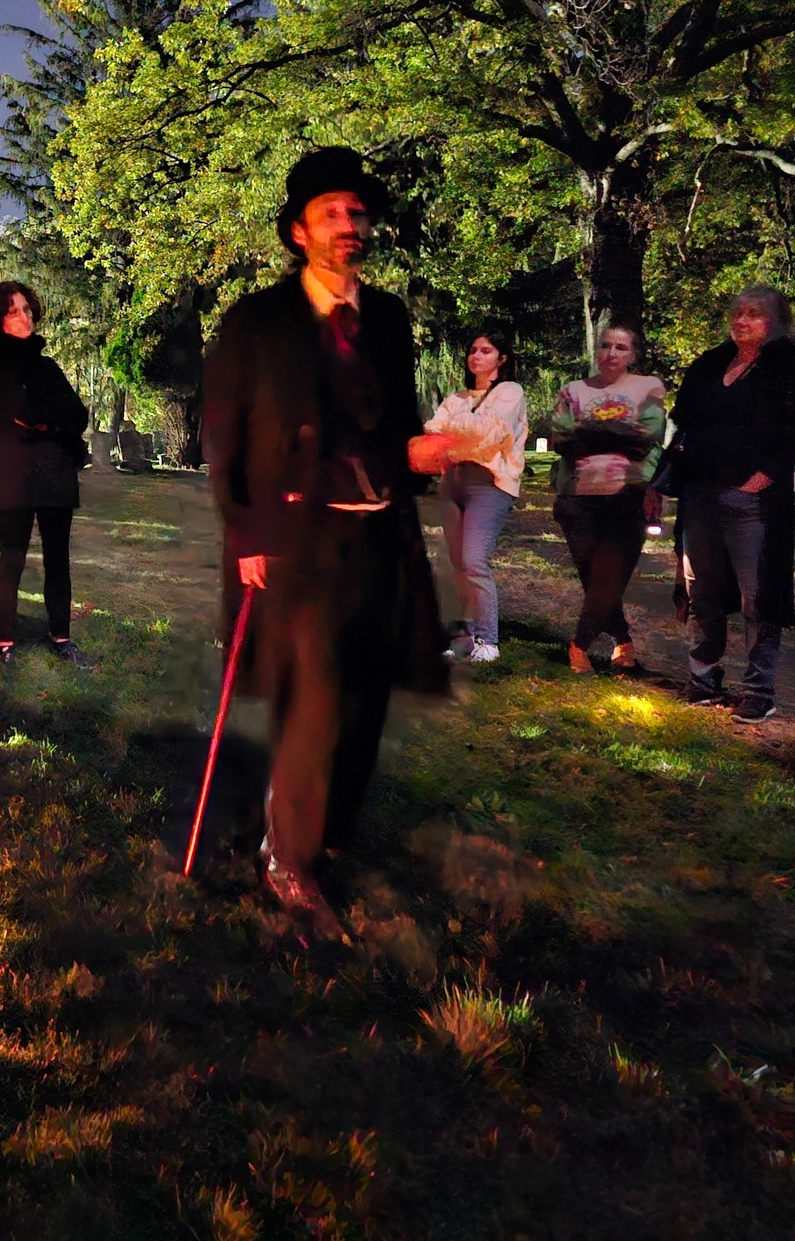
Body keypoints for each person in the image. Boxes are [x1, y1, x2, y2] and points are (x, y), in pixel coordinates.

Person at [203, 147, 447, 938]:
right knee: (311, 699)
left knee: (364, 696)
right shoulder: (256, 322)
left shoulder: (389, 319)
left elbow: (399, 422)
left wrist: (425, 452)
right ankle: (289, 857)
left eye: (357, 212)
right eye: (332, 212)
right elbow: (224, 436)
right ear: (297, 230)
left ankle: (332, 829)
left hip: (379, 541)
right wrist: (245, 532)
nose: (350, 225)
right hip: (296, 543)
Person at [658, 286, 795, 721]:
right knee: (702, 591)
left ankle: (760, 689)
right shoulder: (710, 363)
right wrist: (661, 482)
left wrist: (763, 477)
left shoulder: (788, 365)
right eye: (737, 313)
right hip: (701, 495)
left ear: (774, 320)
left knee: (759, 597)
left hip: (757, 502)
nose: (741, 321)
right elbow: (682, 426)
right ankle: (704, 679)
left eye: (753, 314)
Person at [0, 281, 93, 667]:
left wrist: (45, 423)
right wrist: (49, 421)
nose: (24, 318)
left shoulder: (47, 366)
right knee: (12, 558)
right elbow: (14, 414)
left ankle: (61, 637)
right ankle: (5, 641)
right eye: (13, 311)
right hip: (13, 472)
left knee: (58, 559)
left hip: (56, 472)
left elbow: (78, 416)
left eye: (27, 310)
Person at [549, 326, 666, 673]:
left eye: (621, 347)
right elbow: (561, 439)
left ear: (633, 354)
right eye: (605, 346)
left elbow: (647, 438)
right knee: (592, 574)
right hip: (577, 497)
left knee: (609, 575)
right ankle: (623, 641)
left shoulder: (649, 387)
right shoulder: (574, 390)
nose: (612, 353)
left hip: (627, 496)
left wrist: (589, 431)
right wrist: (618, 435)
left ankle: (580, 643)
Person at [424, 328, 528, 663]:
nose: (477, 356)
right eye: (473, 350)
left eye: (486, 350)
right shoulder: (457, 399)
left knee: (474, 560)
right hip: (453, 484)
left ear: (502, 358)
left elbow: (489, 431)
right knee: (456, 564)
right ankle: (464, 636)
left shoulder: (510, 392)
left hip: (488, 485)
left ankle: (488, 639)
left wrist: (453, 435)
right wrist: (457, 435)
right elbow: (431, 432)